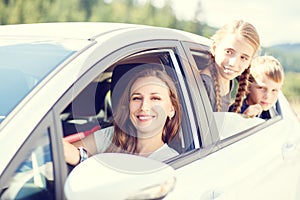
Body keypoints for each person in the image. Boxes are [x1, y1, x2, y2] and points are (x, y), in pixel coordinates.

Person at [63, 66, 182, 166]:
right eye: (137, 98)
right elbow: (66, 153)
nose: (144, 106)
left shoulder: (171, 161)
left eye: (155, 98)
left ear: (171, 110)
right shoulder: (111, 135)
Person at [200, 20, 261, 112]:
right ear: (214, 48)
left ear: (249, 62)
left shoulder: (229, 81)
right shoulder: (204, 84)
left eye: (243, 57)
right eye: (228, 52)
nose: (233, 63)